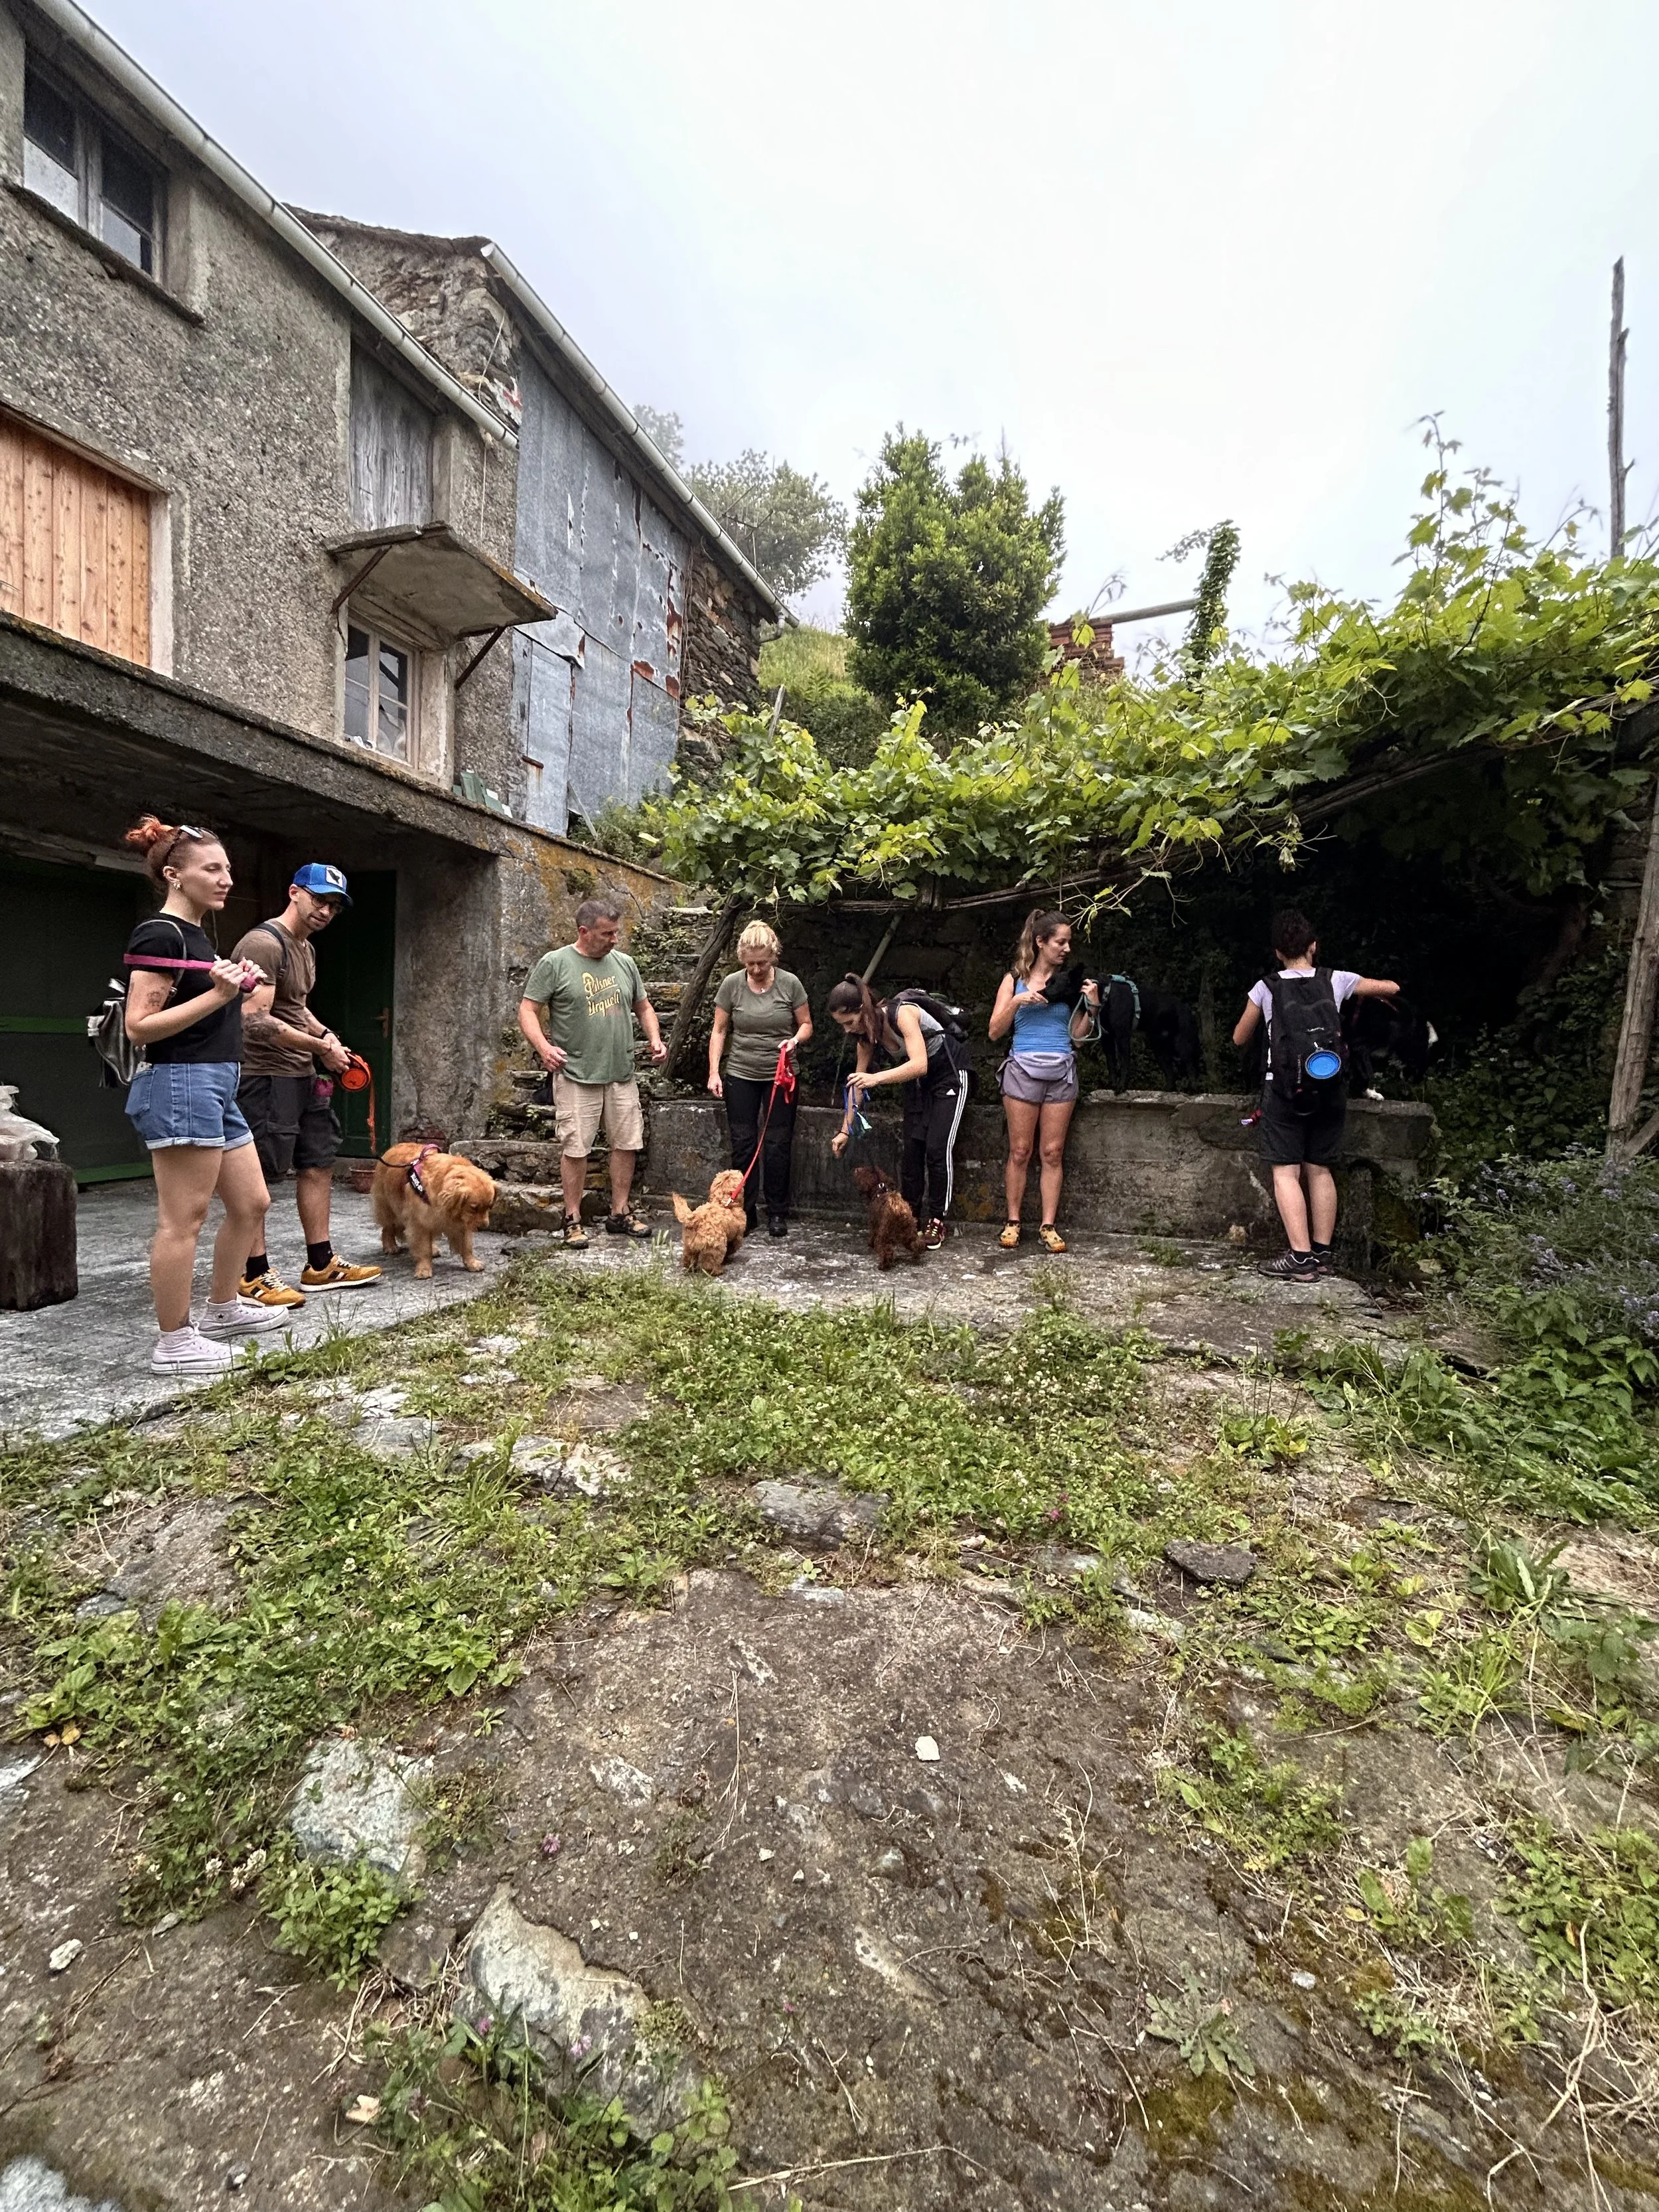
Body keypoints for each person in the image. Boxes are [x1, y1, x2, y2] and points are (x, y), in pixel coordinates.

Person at [120, 817, 293, 1376]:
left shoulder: (198, 935)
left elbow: (209, 1007)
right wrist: (220, 993)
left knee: (252, 1203)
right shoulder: (161, 933)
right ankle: (173, 1342)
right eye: (211, 868)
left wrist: (233, 989)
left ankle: (222, 1309)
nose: (225, 878)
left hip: (216, 1082)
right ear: (175, 875)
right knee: (183, 1219)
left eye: (226, 868)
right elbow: (139, 1026)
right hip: (180, 1080)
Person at [234, 863, 382, 1303]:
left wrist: (326, 1036)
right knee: (257, 1173)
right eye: (319, 899)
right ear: (294, 891)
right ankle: (253, 1274)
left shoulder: (306, 948)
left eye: (334, 906)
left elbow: (296, 1008)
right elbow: (253, 1021)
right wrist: (319, 1048)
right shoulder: (263, 943)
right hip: (263, 1074)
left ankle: (320, 1264)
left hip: (301, 1072)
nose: (325, 911)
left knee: (318, 1161)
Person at [1232, 908, 1400, 1282]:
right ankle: (1322, 1254)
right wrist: (1372, 992)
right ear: (1313, 946)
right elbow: (1391, 988)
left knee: (1286, 1171)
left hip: (1284, 1088)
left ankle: (1300, 1258)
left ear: (1277, 952)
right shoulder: (1336, 979)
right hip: (1330, 1086)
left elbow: (1240, 1038)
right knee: (1320, 1168)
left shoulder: (1266, 987)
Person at [518, 895, 668, 1249]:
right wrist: (544, 1047)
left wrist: (656, 1038)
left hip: (621, 1073)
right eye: (607, 934)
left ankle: (620, 1212)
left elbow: (644, 1007)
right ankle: (572, 1219)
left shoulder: (626, 964)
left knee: (627, 1144)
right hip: (576, 1074)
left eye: (617, 933)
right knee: (576, 1148)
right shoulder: (555, 964)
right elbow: (527, 1011)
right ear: (584, 932)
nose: (615, 940)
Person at [827, 974, 970, 1249]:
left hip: (948, 1073)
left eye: (849, 1022)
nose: (847, 1030)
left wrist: (877, 1079)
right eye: (841, 1025)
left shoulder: (902, 1014)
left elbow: (920, 1064)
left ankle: (938, 1221)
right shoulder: (864, 1036)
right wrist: (845, 1131)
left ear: (863, 1009)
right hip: (917, 1084)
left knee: (938, 1150)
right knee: (912, 1153)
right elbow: (858, 1084)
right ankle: (910, 1216)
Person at [988, 909, 1100, 1253]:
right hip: (1022, 1068)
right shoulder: (1014, 980)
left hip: (1061, 1070)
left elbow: (1080, 1039)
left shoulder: (1070, 983)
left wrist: (1093, 1007)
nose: (1067, 949)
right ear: (1041, 942)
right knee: (1020, 1151)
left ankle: (1048, 1225)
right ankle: (1013, 1221)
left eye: (1069, 943)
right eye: (1060, 942)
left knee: (1052, 1152)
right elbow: (994, 1032)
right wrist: (1019, 1000)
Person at [708, 920, 812, 1238]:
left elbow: (806, 1024)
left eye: (763, 963)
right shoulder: (731, 985)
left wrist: (794, 1041)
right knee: (743, 1144)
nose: (756, 969)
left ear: (774, 957)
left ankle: (778, 1212)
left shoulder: (790, 984)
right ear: (742, 959)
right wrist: (714, 1071)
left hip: (781, 1075)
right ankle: (745, 1211)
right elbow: (720, 1030)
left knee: (778, 1144)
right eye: (751, 963)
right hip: (741, 1072)